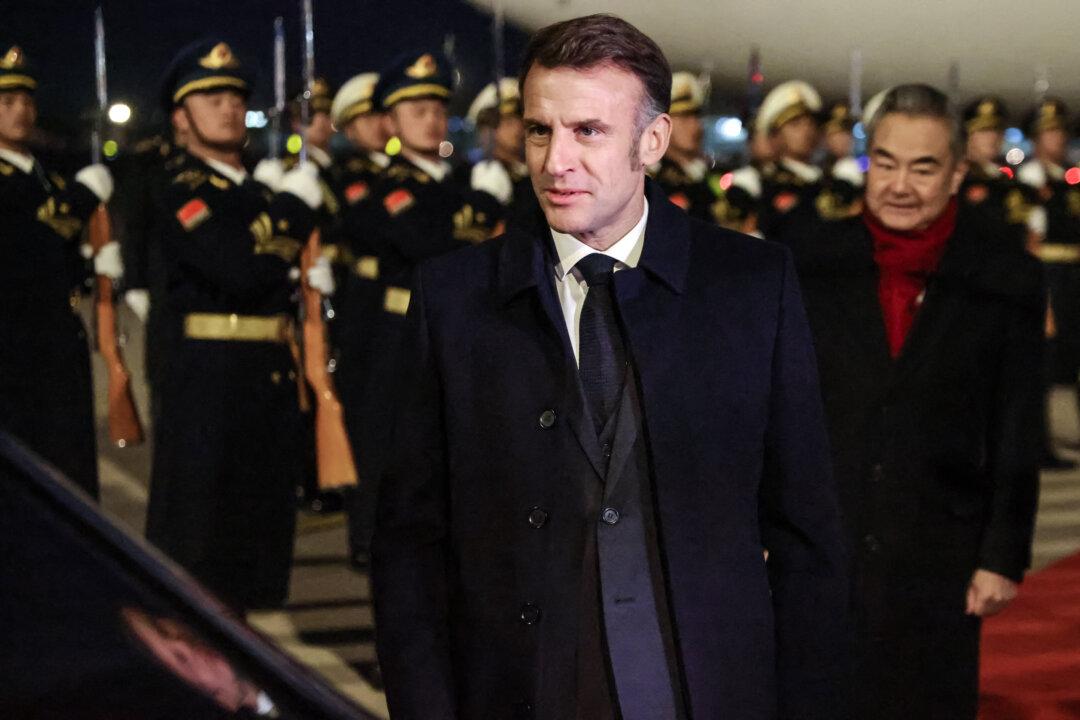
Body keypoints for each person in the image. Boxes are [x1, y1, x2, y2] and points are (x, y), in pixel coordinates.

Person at [372, 14, 850, 720]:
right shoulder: (455, 297)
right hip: (516, 691)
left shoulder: (751, 285)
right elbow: (409, 544)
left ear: (651, 142)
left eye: (587, 131)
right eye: (540, 130)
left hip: (706, 690)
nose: (555, 160)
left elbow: (806, 532)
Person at [793, 84, 1041, 719]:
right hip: (821, 543)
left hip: (940, 552)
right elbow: (772, 406)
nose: (899, 184)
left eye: (923, 166)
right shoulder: (806, 260)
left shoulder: (1004, 274)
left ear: (957, 172)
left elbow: (1016, 422)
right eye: (886, 162)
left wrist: (1002, 556)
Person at [143, 39, 333, 614]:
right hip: (208, 386)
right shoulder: (180, 191)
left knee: (257, 545)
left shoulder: (256, 193)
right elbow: (239, 268)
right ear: (181, 116)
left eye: (235, 96)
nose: (228, 106)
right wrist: (294, 212)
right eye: (210, 96)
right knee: (201, 546)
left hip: (267, 381)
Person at [0, 45, 118, 498]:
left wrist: (92, 261)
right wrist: (80, 202)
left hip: (57, 341)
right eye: (7, 102)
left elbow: (54, 255)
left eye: (26, 101)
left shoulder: (45, 175)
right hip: (16, 345)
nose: (21, 111)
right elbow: (25, 245)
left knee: (68, 467)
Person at [1018, 98, 1080, 465]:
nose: (1057, 139)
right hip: (1049, 273)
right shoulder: (1031, 178)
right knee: (1045, 363)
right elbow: (1031, 237)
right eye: (1050, 133)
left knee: (1070, 359)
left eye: (1060, 132)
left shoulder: (1068, 176)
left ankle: (1062, 436)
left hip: (1072, 273)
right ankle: (1040, 442)